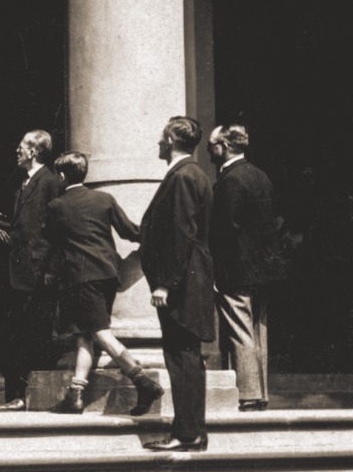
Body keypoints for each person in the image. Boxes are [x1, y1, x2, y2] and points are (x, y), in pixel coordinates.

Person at [41, 151, 166, 415]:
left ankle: (142, 381)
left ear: (62, 176)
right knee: (85, 334)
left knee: (99, 332)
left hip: (80, 278)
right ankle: (75, 395)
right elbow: (131, 232)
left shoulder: (56, 206)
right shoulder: (104, 198)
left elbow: (53, 246)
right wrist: (157, 237)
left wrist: (49, 272)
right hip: (108, 275)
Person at [140, 116, 217, 452]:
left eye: (161, 136)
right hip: (189, 277)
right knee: (186, 356)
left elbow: (179, 234)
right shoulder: (192, 174)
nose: (158, 142)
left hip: (182, 281)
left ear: (171, 139)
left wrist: (165, 284)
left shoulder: (183, 176)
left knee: (181, 355)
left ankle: (187, 433)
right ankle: (191, 431)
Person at [209, 124, 283, 412]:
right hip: (262, 268)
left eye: (212, 144)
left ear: (224, 147)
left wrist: (217, 270)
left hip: (236, 268)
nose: (209, 148)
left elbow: (226, 230)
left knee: (240, 330)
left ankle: (248, 394)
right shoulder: (259, 175)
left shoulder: (230, 180)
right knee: (257, 331)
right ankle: (259, 393)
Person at [0, 129, 63, 410]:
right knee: (18, 335)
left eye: (21, 146)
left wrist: (52, 269)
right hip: (19, 272)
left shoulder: (50, 181)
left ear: (34, 151)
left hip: (38, 273)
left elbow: (58, 230)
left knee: (35, 336)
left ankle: (29, 396)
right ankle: (18, 396)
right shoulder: (22, 183)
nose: (17, 151)